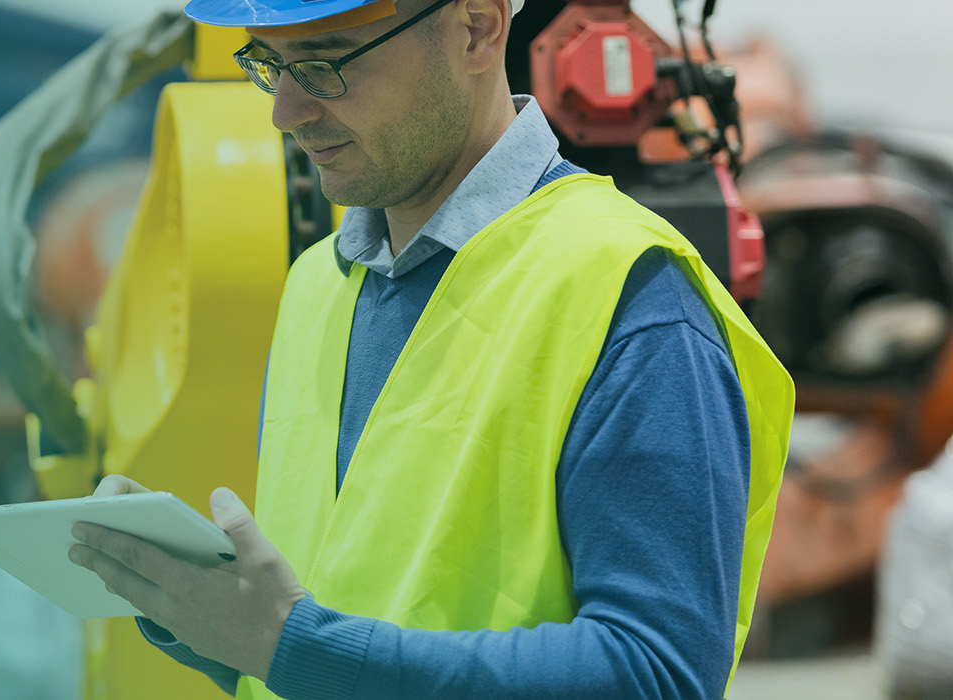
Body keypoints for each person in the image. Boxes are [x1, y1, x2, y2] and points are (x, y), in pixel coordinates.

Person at [65, 0, 794, 698]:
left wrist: (290, 644)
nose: (285, 112)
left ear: (477, 28)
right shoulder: (318, 286)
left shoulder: (627, 294)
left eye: (323, 65)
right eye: (268, 63)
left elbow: (656, 675)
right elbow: (340, 628)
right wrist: (203, 615)